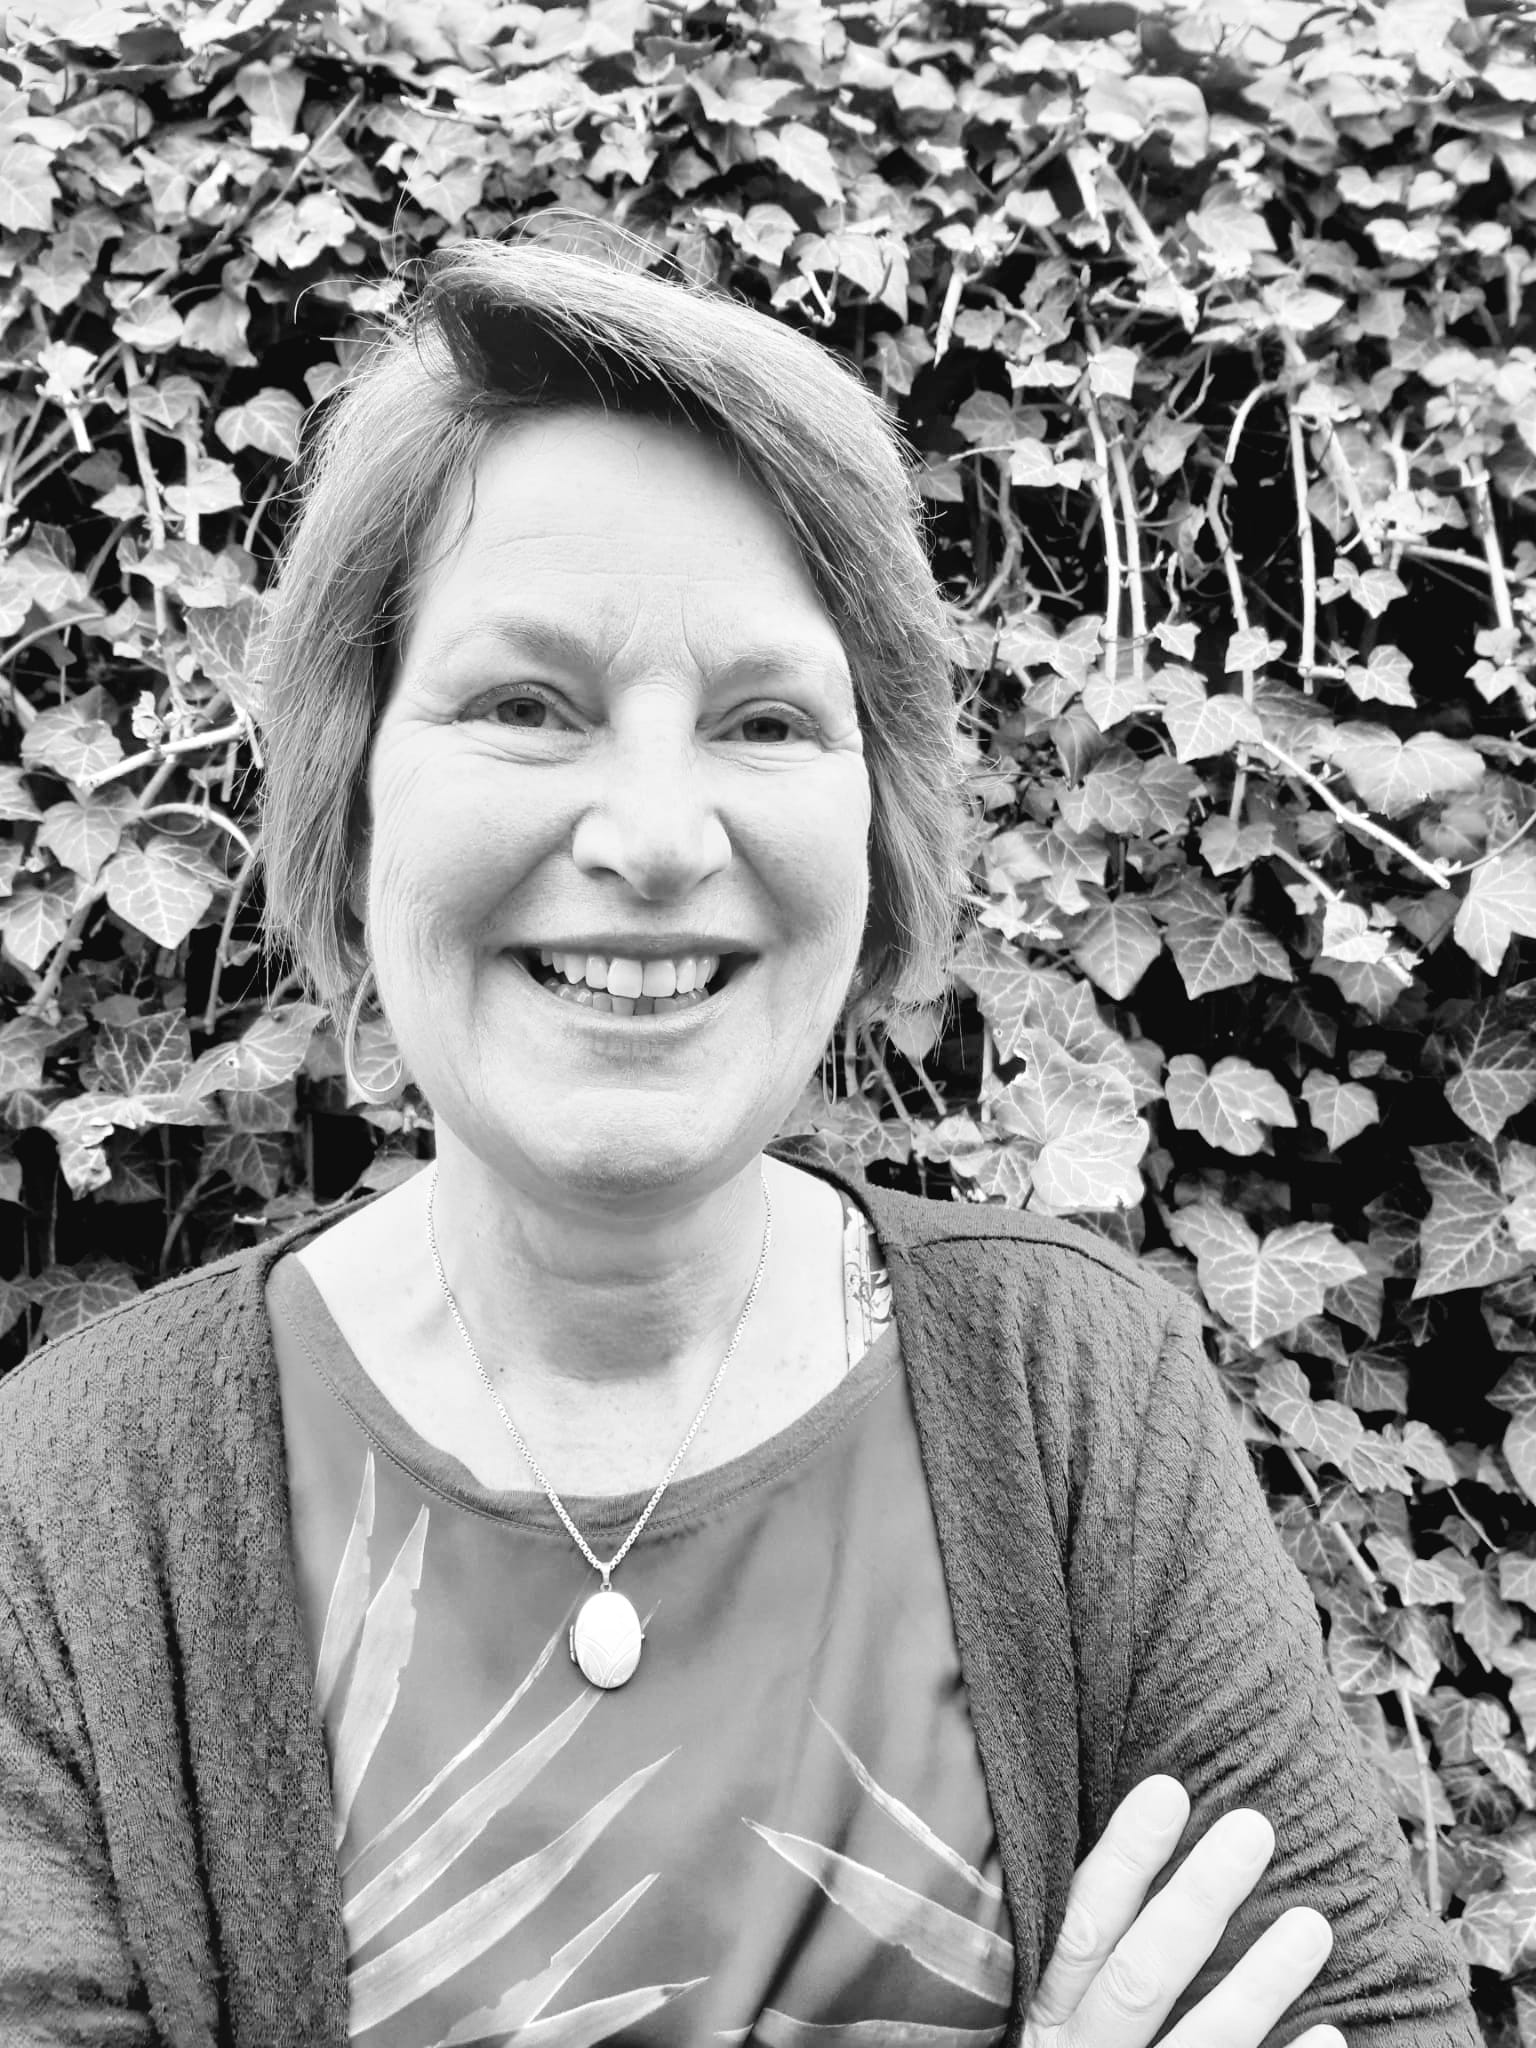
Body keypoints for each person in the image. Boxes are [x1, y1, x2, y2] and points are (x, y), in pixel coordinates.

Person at [0, 241, 1477, 2048]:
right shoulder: (65, 1511)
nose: (653, 834)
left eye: (765, 721)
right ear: (355, 788)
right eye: (524, 706)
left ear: (874, 817)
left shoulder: (1075, 1393)